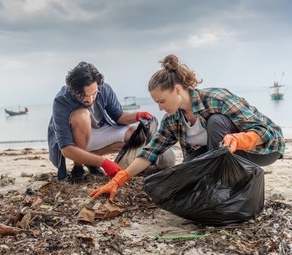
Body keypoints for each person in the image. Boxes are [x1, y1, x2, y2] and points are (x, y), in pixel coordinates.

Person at [89, 54, 285, 201]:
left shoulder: (216, 99)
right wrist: (118, 180)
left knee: (216, 121)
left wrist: (239, 140)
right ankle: (216, 186)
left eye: (162, 100)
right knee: (187, 167)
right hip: (220, 156)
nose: (159, 107)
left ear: (177, 90)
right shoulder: (172, 119)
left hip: (262, 151)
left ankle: (225, 187)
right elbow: (151, 152)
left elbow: (270, 133)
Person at [48, 61, 153, 183]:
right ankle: (78, 167)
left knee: (136, 135)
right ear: (74, 90)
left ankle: (90, 160)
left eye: (94, 93)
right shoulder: (61, 100)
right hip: (75, 138)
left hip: (97, 132)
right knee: (82, 115)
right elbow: (66, 149)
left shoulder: (104, 89)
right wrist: (104, 163)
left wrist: (138, 115)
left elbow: (119, 116)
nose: (91, 99)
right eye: (85, 96)